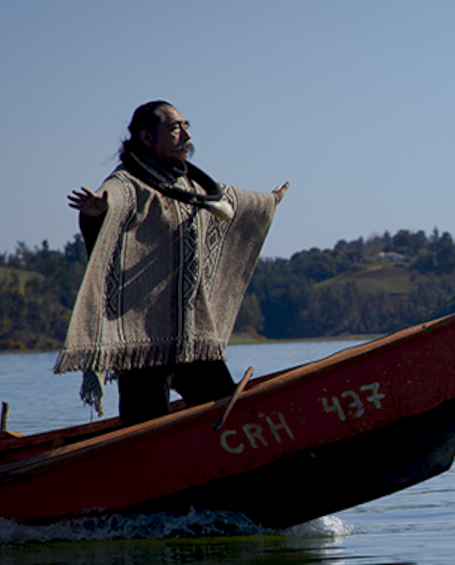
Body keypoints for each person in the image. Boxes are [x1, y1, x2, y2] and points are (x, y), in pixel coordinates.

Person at [54, 100, 289, 425]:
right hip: (142, 340)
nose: (186, 134)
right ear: (147, 137)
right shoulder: (127, 182)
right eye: (175, 128)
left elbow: (228, 200)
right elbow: (111, 201)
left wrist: (267, 202)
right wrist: (97, 212)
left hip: (193, 331)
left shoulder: (192, 185)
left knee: (227, 415)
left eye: (186, 125)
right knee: (145, 427)